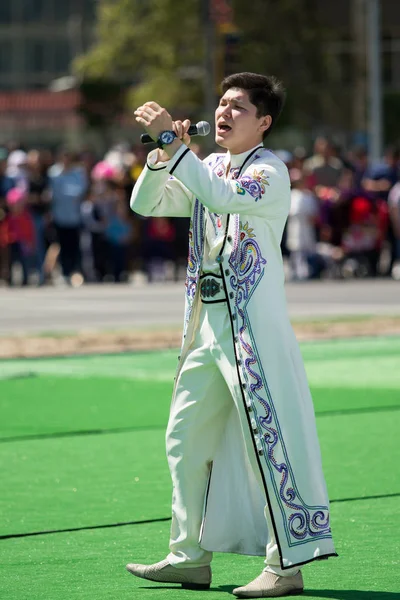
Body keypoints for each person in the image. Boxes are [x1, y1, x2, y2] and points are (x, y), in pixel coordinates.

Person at [127, 72, 337, 598]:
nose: (223, 112)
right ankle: (188, 556)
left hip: (253, 330)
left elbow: (219, 197)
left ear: (263, 122)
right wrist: (161, 154)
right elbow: (146, 205)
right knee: (183, 438)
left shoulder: (271, 171)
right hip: (207, 327)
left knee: (266, 442)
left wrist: (177, 146)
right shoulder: (209, 164)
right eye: (221, 103)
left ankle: (285, 567)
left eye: (237, 106)